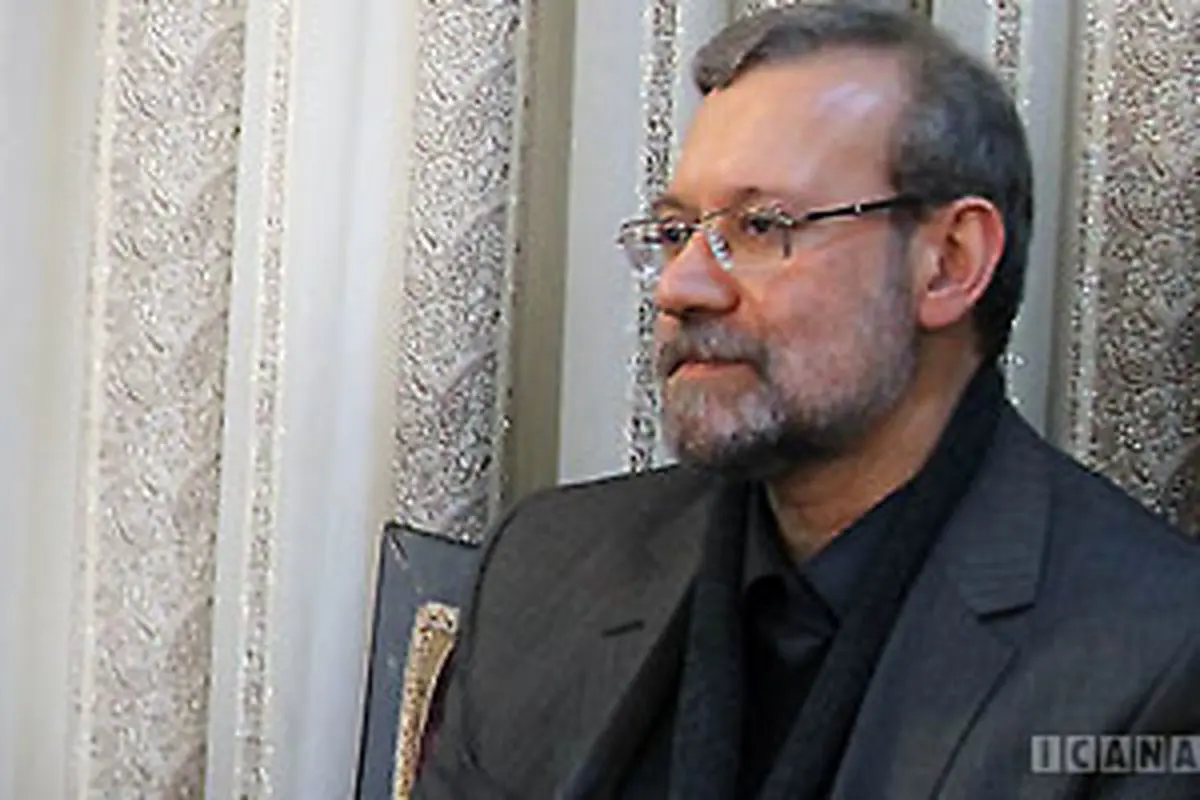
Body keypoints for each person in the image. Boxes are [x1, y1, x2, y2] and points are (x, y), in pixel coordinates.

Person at [412, 4, 1200, 798]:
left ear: (949, 262)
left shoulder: (1156, 657)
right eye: (676, 232)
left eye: (761, 226)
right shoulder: (545, 568)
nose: (681, 286)